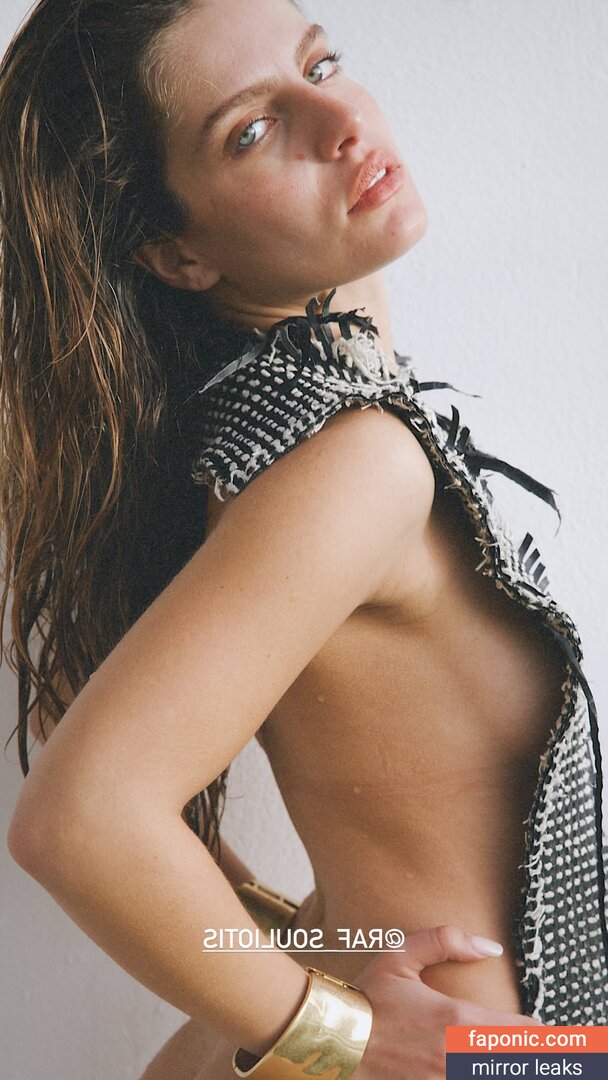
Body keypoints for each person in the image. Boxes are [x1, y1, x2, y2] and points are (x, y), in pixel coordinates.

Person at [1, 1, 606, 1078]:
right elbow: (79, 820)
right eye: (251, 130)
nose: (341, 121)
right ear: (175, 253)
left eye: (319, 65)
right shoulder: (352, 461)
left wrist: (301, 962)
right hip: (491, 1059)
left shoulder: (256, 430)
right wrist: (343, 1037)